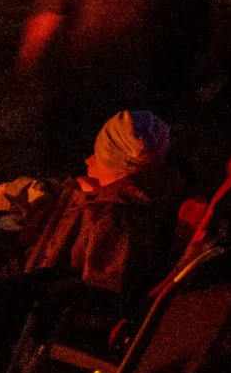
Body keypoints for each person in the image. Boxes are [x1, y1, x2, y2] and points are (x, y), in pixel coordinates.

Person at [21, 0, 173, 168]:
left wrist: (29, 58)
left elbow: (47, 17)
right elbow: (168, 19)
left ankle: (75, 198)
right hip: (134, 75)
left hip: (81, 73)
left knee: (70, 150)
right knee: (125, 149)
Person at [13, 109, 181, 302]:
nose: (88, 160)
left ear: (114, 163)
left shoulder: (116, 215)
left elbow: (99, 291)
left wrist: (24, 289)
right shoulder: (150, 197)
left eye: (98, 155)